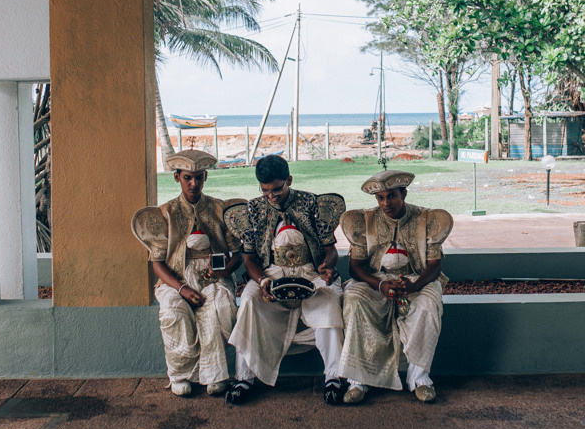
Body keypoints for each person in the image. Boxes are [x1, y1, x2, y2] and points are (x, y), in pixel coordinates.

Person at [225, 154, 347, 405]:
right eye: (266, 191)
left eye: (277, 189)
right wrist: (261, 282)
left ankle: (333, 378)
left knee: (330, 301)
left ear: (289, 180)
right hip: (270, 275)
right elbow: (249, 258)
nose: (272, 196)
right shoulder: (254, 209)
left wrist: (327, 267)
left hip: (311, 273)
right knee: (248, 302)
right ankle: (244, 378)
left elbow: (330, 250)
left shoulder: (312, 204)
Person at [130, 149, 243, 397]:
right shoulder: (165, 213)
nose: (194, 183)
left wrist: (225, 270)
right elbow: (157, 263)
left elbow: (237, 253)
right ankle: (180, 375)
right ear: (177, 177)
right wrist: (182, 288)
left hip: (215, 279)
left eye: (199, 177)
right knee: (173, 313)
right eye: (187, 178)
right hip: (175, 282)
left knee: (214, 311)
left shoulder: (219, 209)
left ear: (205, 178)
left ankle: (214, 376)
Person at [337, 170, 453, 404]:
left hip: (416, 278)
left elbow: (434, 266)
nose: (386, 203)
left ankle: (420, 378)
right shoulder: (364, 221)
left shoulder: (426, 219)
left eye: (391, 196)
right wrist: (380, 285)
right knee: (354, 298)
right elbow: (355, 267)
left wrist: (414, 286)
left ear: (404, 193)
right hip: (375, 280)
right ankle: (358, 380)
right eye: (380, 198)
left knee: (429, 302)